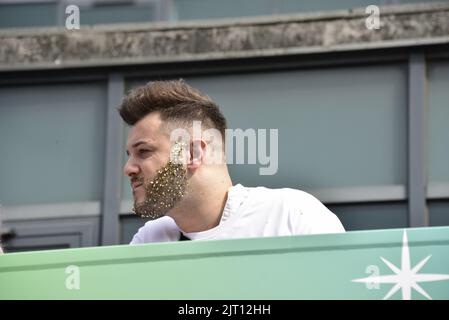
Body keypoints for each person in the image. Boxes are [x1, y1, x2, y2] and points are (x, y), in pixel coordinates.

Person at [119, 80, 345, 243]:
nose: (128, 168)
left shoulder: (290, 215)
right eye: (129, 155)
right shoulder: (150, 240)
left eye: (144, 151)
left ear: (193, 153)